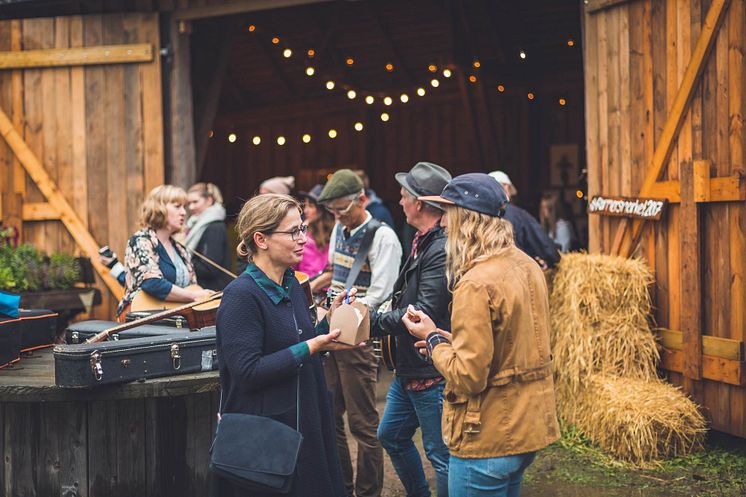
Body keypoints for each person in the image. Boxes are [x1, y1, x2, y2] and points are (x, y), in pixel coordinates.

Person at [403, 173, 561, 497]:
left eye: (448, 214)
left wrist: (433, 340)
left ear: (466, 219)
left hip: (488, 437)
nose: (443, 224)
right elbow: (511, 343)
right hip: (527, 428)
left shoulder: (475, 282)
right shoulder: (527, 264)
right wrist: (453, 340)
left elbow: (468, 376)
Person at [213, 193, 360, 497]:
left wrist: (330, 325)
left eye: (303, 229)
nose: (303, 239)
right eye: (293, 231)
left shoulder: (291, 284)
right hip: (268, 439)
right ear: (261, 239)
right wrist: (311, 347)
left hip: (307, 421)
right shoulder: (241, 296)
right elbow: (248, 372)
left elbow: (297, 340)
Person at [318, 169, 403, 497]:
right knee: (329, 415)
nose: (337, 216)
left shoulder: (383, 237)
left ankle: (368, 493)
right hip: (331, 331)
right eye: (333, 211)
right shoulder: (340, 227)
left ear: (362, 200)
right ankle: (342, 486)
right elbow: (334, 273)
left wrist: (347, 311)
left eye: (342, 208)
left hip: (360, 337)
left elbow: (382, 292)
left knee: (364, 423)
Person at [370, 162, 452, 497]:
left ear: (418, 203)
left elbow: (424, 312)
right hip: (410, 366)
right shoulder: (424, 241)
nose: (400, 202)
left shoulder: (440, 248)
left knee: (440, 454)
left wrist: (372, 322)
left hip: (429, 366)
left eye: (404, 196)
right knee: (391, 435)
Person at [116, 185, 212, 318]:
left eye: (184, 207)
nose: (184, 212)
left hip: (176, 319)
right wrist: (193, 296)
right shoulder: (141, 241)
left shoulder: (180, 249)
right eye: (177, 206)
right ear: (158, 209)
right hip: (141, 318)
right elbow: (152, 283)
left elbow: (192, 286)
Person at [488, 170, 560, 268]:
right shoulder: (518, 215)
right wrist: (554, 259)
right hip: (515, 272)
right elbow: (544, 245)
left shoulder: (477, 215)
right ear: (506, 187)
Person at [185, 182, 232, 290]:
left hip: (214, 292)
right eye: (189, 203)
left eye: (195, 202)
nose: (191, 207)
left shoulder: (215, 227)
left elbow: (209, 268)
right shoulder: (194, 225)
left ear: (209, 200)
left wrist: (181, 261)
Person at [297, 184, 335, 294]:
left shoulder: (335, 232)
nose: (305, 210)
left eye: (311, 206)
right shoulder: (303, 233)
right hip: (303, 287)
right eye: (305, 206)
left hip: (327, 291)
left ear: (321, 209)